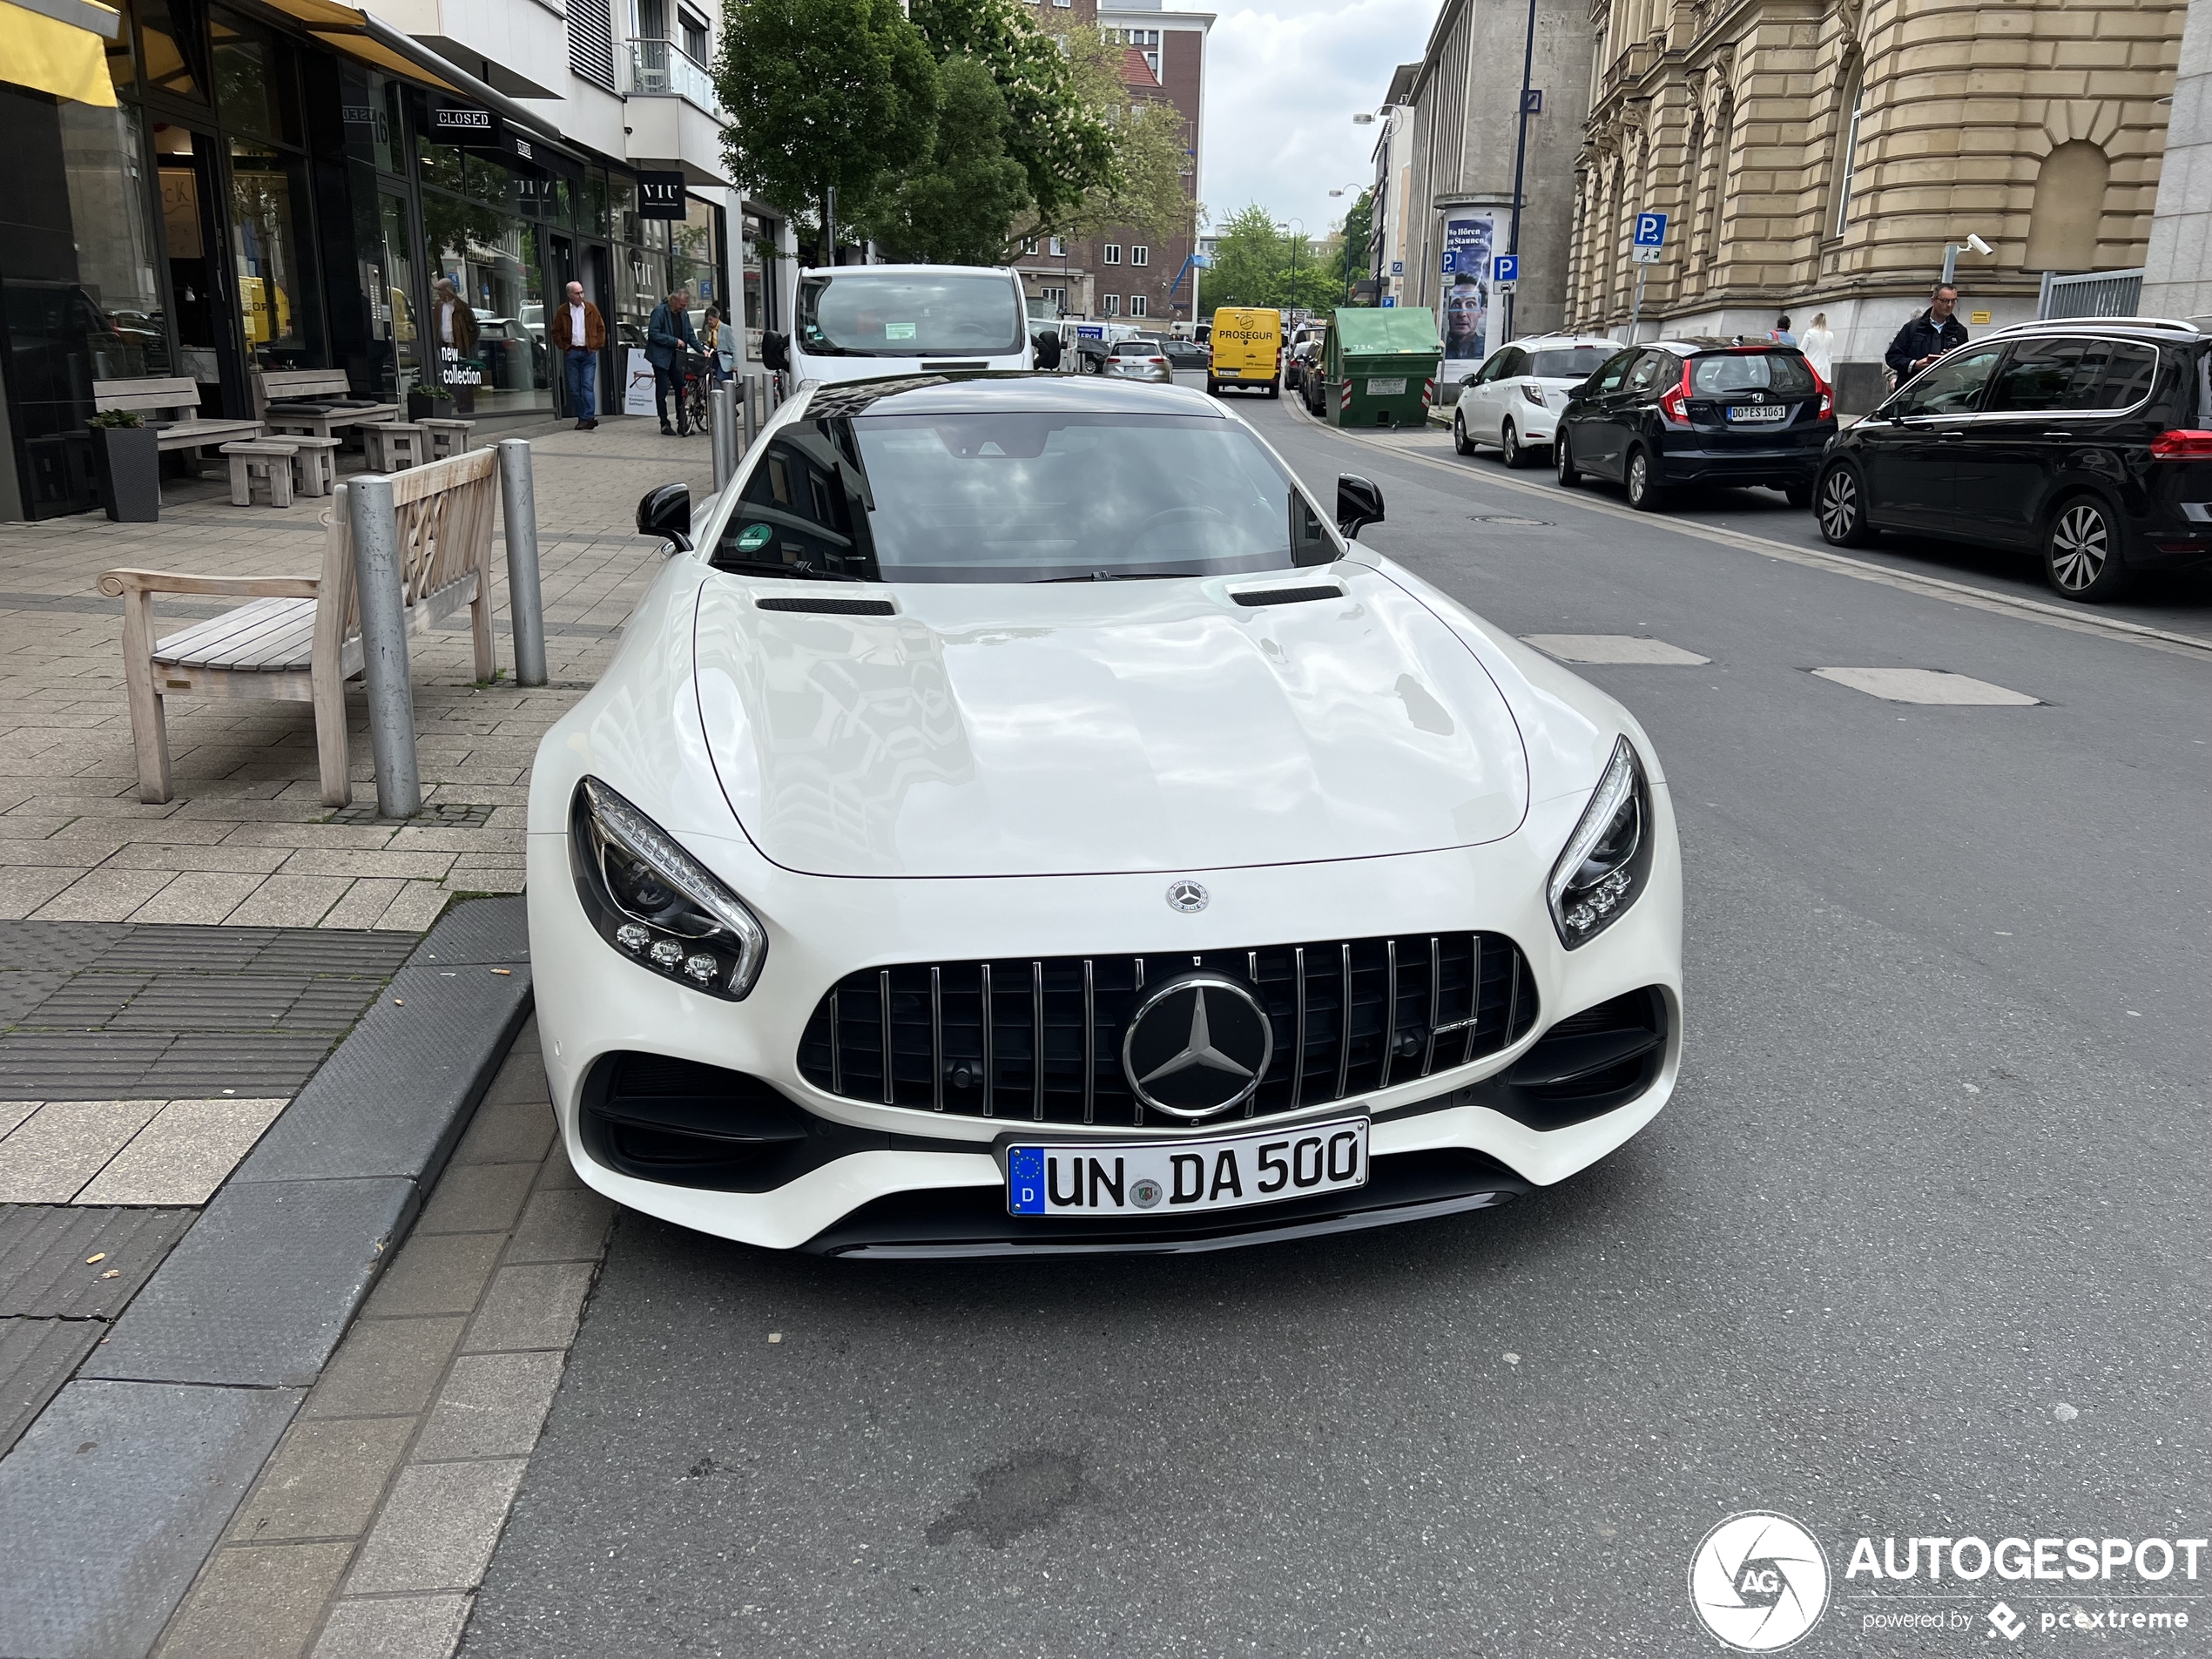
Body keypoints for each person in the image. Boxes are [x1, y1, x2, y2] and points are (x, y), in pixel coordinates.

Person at [1885, 283, 1968, 384]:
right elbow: (1893, 357)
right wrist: (1915, 364)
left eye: (1953, 301)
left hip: (1945, 390)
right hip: (1913, 388)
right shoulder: (1912, 328)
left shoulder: (1960, 331)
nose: (1949, 305)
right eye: (1944, 301)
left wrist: (1954, 358)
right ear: (1933, 300)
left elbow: (1966, 362)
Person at [550, 280, 605, 430]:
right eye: (577, 293)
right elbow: (555, 331)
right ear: (569, 294)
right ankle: (582, 418)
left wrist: (596, 346)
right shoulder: (563, 311)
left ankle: (589, 417)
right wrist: (564, 347)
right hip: (572, 352)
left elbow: (601, 328)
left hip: (588, 352)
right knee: (575, 389)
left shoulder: (591, 309)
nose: (581, 295)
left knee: (587, 385)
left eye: (582, 292)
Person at [646, 287, 700, 436]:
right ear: (673, 299)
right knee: (662, 390)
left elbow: (689, 334)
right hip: (661, 357)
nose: (684, 307)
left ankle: (682, 422)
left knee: (681, 389)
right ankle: (664, 423)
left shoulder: (684, 314)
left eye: (686, 305)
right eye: (682, 304)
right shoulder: (660, 311)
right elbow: (653, 334)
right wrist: (674, 341)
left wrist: (702, 350)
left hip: (677, 357)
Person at [433, 277, 479, 415]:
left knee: (462, 381)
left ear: (448, 290)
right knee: (447, 379)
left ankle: (465, 410)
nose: (439, 294)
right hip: (444, 347)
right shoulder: (438, 306)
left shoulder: (461, 307)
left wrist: (465, 344)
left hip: (459, 348)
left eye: (440, 290)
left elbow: (474, 329)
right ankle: (444, 409)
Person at [1799, 311, 1836, 383]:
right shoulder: (1830, 335)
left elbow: (1801, 350)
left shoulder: (1810, 332)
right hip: (1824, 367)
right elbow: (1829, 354)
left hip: (1811, 365)